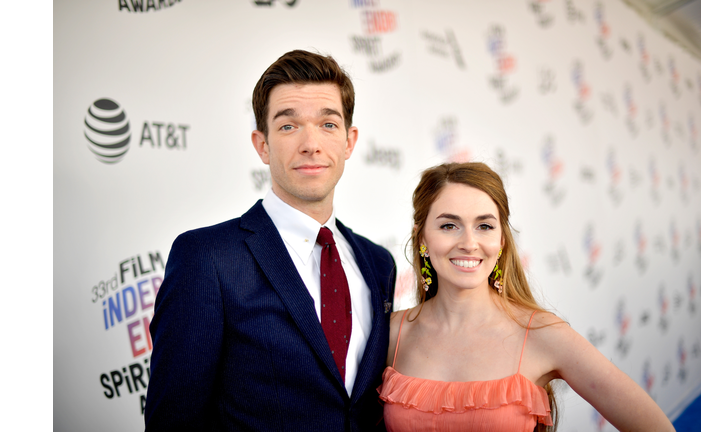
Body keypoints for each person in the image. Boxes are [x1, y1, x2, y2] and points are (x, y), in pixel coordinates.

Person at [144, 50, 396, 432]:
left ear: (349, 141)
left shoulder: (378, 264)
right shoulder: (207, 259)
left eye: (328, 124)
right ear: (262, 145)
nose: (311, 144)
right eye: (289, 126)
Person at [378, 162, 675, 432]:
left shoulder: (542, 334)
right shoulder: (391, 333)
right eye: (448, 225)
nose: (469, 243)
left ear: (502, 240)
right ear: (422, 239)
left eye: (484, 226)